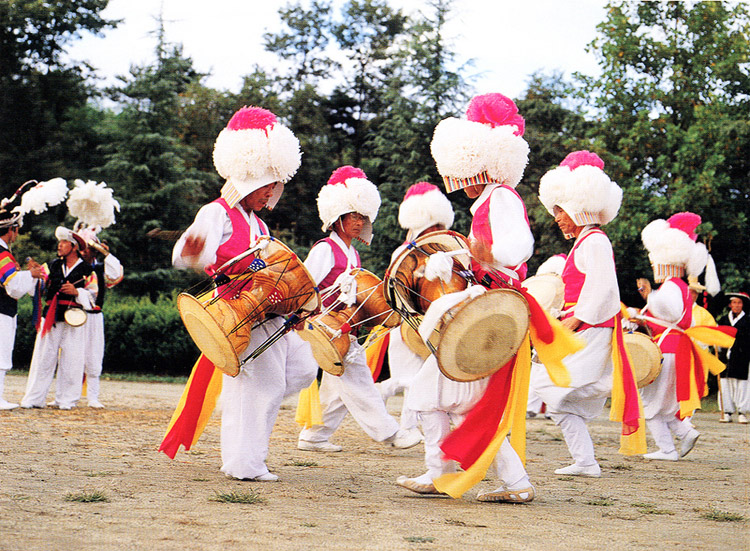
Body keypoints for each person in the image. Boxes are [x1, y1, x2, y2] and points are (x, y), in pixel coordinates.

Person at [397, 93, 536, 503]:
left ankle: (456, 475)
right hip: (485, 306)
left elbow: (521, 247)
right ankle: (460, 474)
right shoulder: (489, 200)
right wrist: (459, 257)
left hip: (491, 308)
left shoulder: (501, 197)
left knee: (443, 396)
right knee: (449, 398)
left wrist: (486, 256)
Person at [171, 106, 318, 481]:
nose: (272, 193)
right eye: (268, 186)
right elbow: (189, 253)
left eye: (274, 187)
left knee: (302, 369)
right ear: (250, 182)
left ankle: (240, 423)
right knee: (265, 385)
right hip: (237, 311)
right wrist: (193, 250)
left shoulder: (259, 223)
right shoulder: (216, 212)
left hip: (271, 314)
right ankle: (245, 464)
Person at [532, 150, 646, 477]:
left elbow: (604, 288)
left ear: (577, 208)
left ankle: (587, 458)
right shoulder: (586, 241)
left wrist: (577, 317)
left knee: (552, 386)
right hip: (586, 326)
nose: (557, 218)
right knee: (560, 397)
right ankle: (586, 462)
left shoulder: (594, 241)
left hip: (592, 328)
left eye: (560, 211)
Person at [297, 166, 422, 452]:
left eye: (362, 216)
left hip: (343, 328)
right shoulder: (325, 249)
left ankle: (314, 435)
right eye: (353, 215)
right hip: (326, 327)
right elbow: (306, 288)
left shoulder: (352, 253)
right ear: (337, 216)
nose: (359, 221)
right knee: (359, 379)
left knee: (339, 386)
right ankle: (390, 432)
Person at [638, 212, 725, 459]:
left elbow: (670, 312)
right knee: (664, 403)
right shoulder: (681, 286)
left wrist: (649, 299)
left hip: (668, 348)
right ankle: (685, 432)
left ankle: (668, 448)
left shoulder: (670, 286)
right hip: (675, 347)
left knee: (652, 404)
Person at [377, 182, 455, 435]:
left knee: (420, 380)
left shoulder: (445, 250)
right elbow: (395, 289)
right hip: (406, 325)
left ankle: (409, 426)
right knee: (410, 378)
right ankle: (388, 397)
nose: (439, 231)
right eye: (434, 227)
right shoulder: (404, 252)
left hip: (431, 325)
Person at [20, 227, 98, 410]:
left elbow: (94, 295)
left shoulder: (88, 270)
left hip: (74, 318)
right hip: (52, 317)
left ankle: (67, 400)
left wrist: (77, 291)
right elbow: (40, 288)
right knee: (43, 357)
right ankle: (34, 398)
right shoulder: (53, 265)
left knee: (73, 359)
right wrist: (35, 277)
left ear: (73, 246)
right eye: (59, 242)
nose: (59, 245)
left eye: (64, 242)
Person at [0, 204, 43, 409]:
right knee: (1, 353)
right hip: (2, 311)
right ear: (11, 230)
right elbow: (14, 286)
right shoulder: (2, 254)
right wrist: (31, 275)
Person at [78, 228, 123, 408]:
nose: (84, 252)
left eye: (87, 248)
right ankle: (68, 395)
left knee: (94, 356)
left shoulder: (101, 267)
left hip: (95, 316)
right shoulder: (72, 267)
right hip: (75, 316)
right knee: (71, 357)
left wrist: (106, 253)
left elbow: (116, 274)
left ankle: (93, 397)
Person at [717, 292, 749, 424]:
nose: (736, 305)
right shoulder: (724, 320)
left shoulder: (747, 320)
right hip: (725, 357)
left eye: (739, 303)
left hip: (742, 356)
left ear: (742, 305)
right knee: (724, 384)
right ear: (730, 305)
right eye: (734, 302)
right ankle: (727, 411)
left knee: (742, 384)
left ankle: (742, 412)